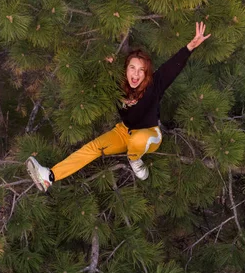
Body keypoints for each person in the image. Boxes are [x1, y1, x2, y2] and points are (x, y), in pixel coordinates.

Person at [26, 21, 210, 191]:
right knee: (93, 148)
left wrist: (190, 46)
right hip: (123, 132)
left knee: (138, 141)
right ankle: (49, 176)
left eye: (141, 70)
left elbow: (173, 66)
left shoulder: (154, 85)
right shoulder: (118, 84)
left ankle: (135, 159)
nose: (136, 74)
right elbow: (98, 73)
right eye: (132, 68)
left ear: (146, 73)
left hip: (149, 134)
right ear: (126, 69)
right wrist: (104, 61)